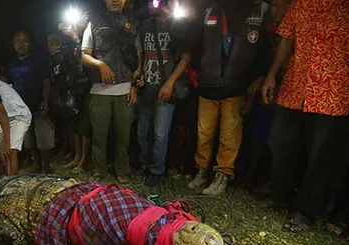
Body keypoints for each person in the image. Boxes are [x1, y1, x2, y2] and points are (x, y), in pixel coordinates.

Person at [261, 0, 349, 232]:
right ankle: (280, 195)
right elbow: (286, 40)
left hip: (332, 92)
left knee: (320, 157)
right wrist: (271, 75)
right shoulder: (301, 4)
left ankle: (306, 212)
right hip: (295, 86)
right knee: (280, 141)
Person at [187, 0, 269, 196]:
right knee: (203, 134)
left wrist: (258, 78)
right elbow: (196, 44)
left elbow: (264, 49)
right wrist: (197, 72)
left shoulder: (258, 9)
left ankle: (222, 175)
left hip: (237, 85)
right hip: (208, 83)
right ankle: (201, 171)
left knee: (229, 137)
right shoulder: (209, 8)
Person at [81, 0, 140, 183]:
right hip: (100, 90)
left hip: (125, 89)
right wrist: (100, 65)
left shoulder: (133, 23)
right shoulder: (94, 22)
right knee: (99, 136)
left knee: (124, 136)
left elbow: (139, 56)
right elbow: (84, 55)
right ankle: (98, 169)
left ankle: (122, 169)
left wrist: (135, 86)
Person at [134, 0, 192, 186]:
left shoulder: (177, 26)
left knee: (160, 134)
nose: (150, 4)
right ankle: (144, 165)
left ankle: (157, 170)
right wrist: (140, 74)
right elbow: (141, 54)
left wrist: (169, 83)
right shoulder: (144, 25)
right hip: (147, 88)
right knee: (143, 132)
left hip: (165, 89)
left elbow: (186, 57)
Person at [242, 0, 292, 194]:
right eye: (272, 5)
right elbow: (260, 55)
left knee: (277, 139)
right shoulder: (265, 25)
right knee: (258, 132)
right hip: (264, 87)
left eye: (280, 5)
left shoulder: (295, 27)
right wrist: (260, 78)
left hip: (287, 91)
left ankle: (268, 182)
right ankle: (250, 177)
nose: (276, 10)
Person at [6, 30, 55, 174]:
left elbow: (46, 83)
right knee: (29, 140)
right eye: (18, 41)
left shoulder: (38, 61)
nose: (21, 45)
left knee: (44, 138)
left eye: (25, 41)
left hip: (38, 105)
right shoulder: (10, 65)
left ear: (30, 43)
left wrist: (46, 101)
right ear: (13, 44)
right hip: (21, 108)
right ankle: (36, 163)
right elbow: (8, 85)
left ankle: (46, 164)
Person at [47, 33, 91, 173]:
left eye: (52, 43)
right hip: (70, 92)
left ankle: (83, 160)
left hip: (84, 91)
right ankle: (75, 156)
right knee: (73, 127)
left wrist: (76, 38)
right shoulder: (60, 56)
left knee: (83, 128)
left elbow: (81, 61)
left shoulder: (75, 48)